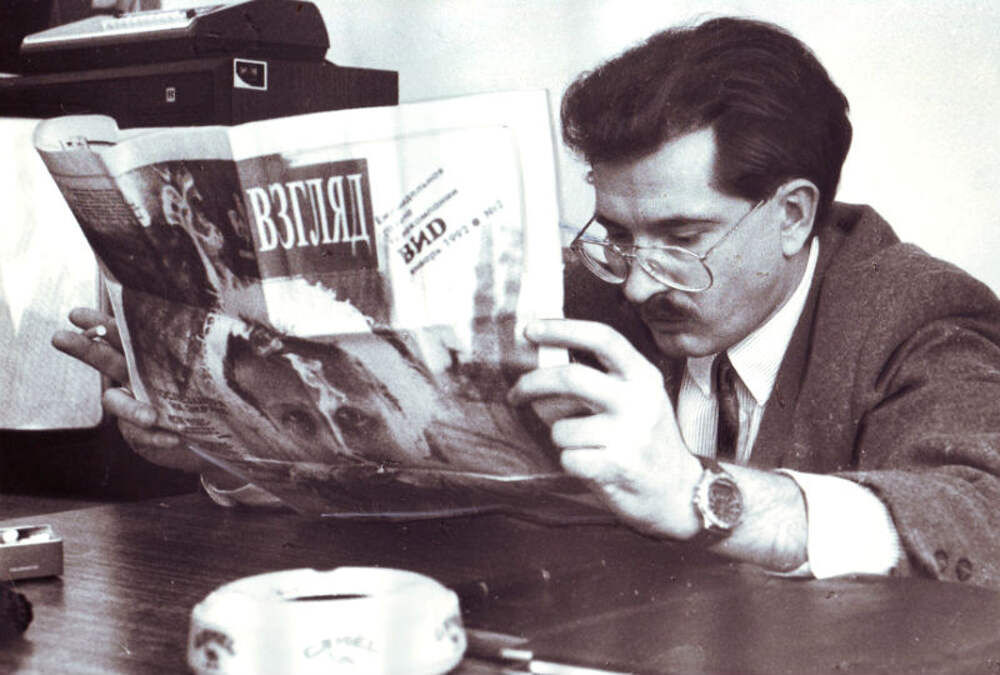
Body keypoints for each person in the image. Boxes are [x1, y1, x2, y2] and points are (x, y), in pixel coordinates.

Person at [54, 17, 1000, 587]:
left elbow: (978, 517)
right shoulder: (577, 293)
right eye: (617, 232)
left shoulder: (916, 312)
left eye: (681, 239)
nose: (637, 281)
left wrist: (698, 494)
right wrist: (217, 440)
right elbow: (412, 481)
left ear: (792, 213)